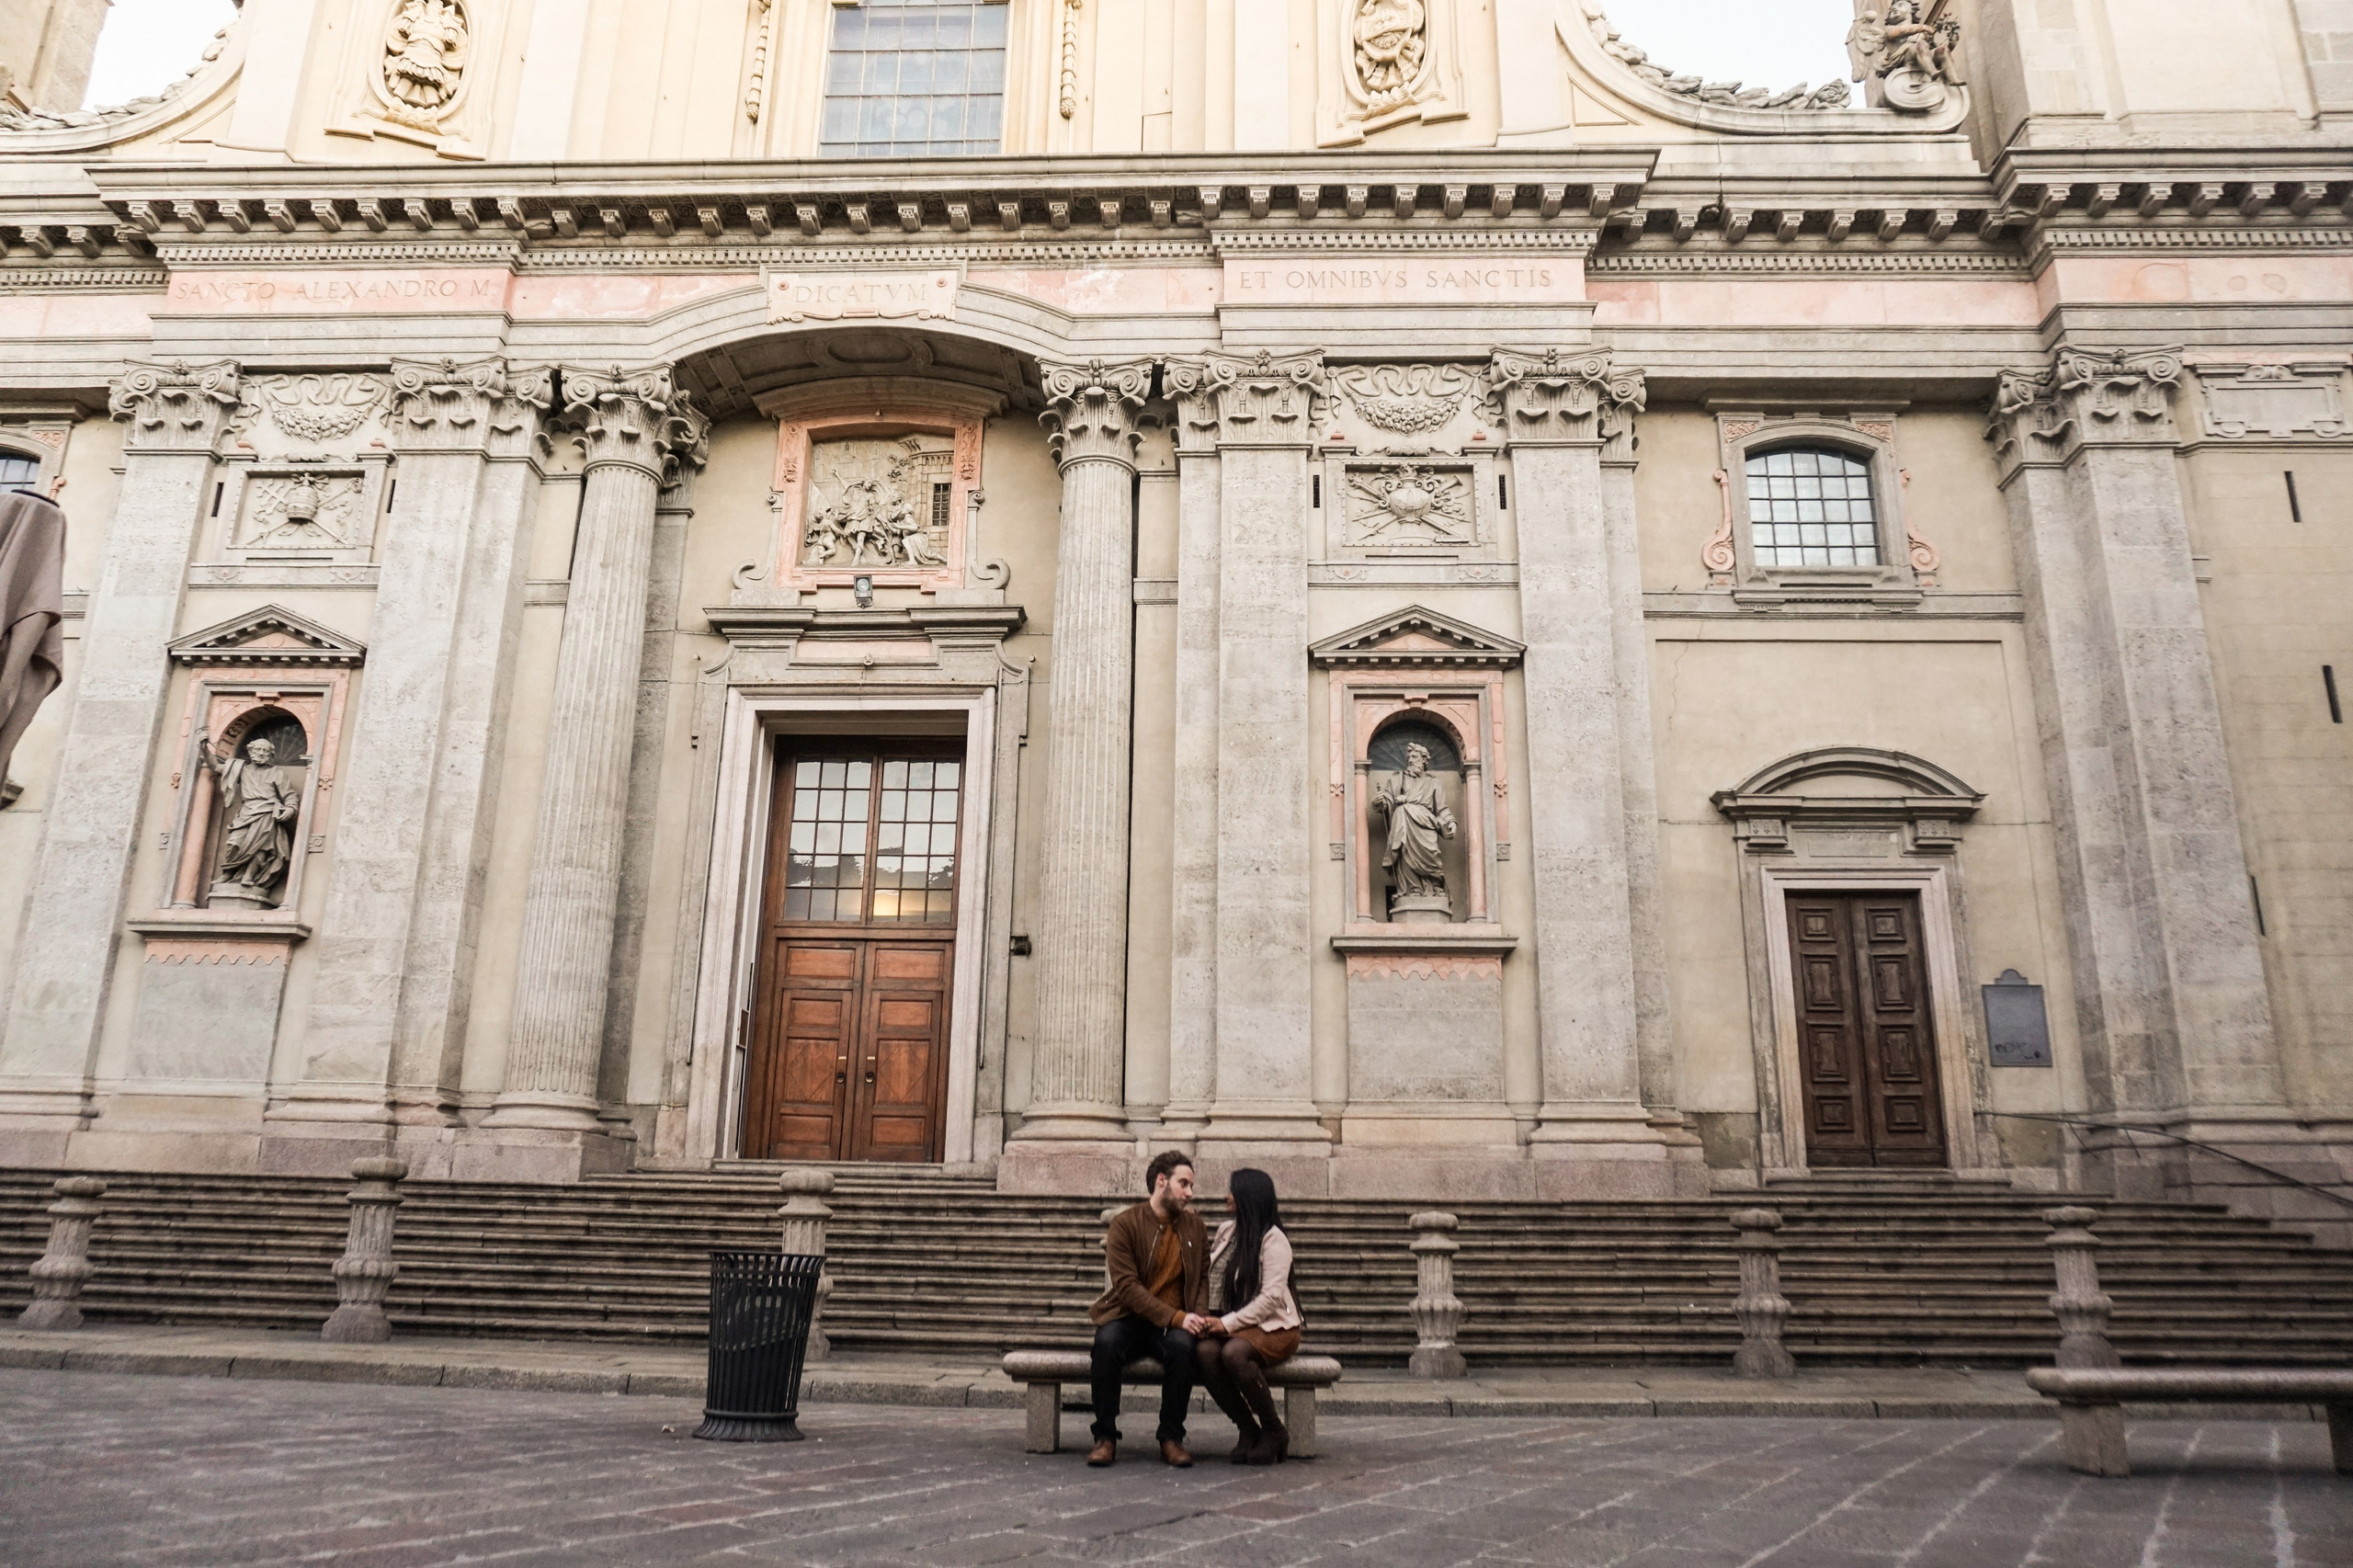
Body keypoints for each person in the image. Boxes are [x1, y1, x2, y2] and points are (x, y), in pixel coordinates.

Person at [1086, 1150, 1212, 1469]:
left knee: (1184, 1349)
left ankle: (1171, 1438)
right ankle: (1105, 1438)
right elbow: (1128, 1289)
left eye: (1191, 1186)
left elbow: (1202, 1277)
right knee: (1106, 1343)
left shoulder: (1195, 1227)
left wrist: (1195, 1316)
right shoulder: (1125, 1225)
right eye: (1183, 1184)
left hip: (1171, 1326)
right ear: (1161, 1181)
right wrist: (1179, 1316)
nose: (1190, 1192)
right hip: (1128, 1318)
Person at [1194, 1168, 1304, 1464]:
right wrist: (1208, 1319)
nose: (1225, 1196)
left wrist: (1226, 1323)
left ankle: (1273, 1430)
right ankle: (1247, 1429)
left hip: (1276, 1328)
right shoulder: (1226, 1231)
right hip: (1236, 1325)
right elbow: (1212, 1276)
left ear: (1247, 1196)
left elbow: (1270, 1299)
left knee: (1233, 1354)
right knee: (1204, 1353)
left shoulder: (1274, 1240)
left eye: (1231, 1191)